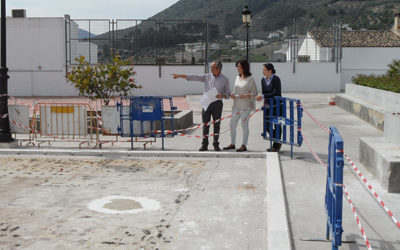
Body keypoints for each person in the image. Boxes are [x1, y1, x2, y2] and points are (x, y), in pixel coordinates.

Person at [171, 61, 230, 151]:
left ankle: (216, 144)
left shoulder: (225, 79)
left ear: (219, 69)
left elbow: (228, 94)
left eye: (213, 67)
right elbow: (194, 77)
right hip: (207, 103)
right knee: (205, 124)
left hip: (217, 103)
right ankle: (204, 145)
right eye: (211, 67)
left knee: (216, 124)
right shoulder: (207, 77)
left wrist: (222, 95)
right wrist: (179, 76)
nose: (211, 69)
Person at [223, 59, 257, 152]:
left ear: (244, 67)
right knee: (232, 124)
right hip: (236, 105)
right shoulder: (237, 78)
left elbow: (254, 93)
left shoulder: (250, 79)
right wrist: (232, 95)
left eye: (239, 66)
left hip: (246, 106)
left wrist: (245, 95)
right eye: (237, 66)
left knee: (244, 125)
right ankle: (232, 143)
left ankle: (244, 144)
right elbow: (235, 90)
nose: (238, 68)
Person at [256, 63, 282, 152]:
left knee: (277, 125)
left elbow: (276, 92)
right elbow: (264, 92)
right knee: (267, 125)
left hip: (276, 106)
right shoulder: (263, 80)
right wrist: (263, 100)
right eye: (263, 70)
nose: (263, 72)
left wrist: (263, 96)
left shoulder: (276, 79)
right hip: (267, 106)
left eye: (264, 70)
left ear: (270, 71)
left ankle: (276, 145)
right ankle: (277, 141)